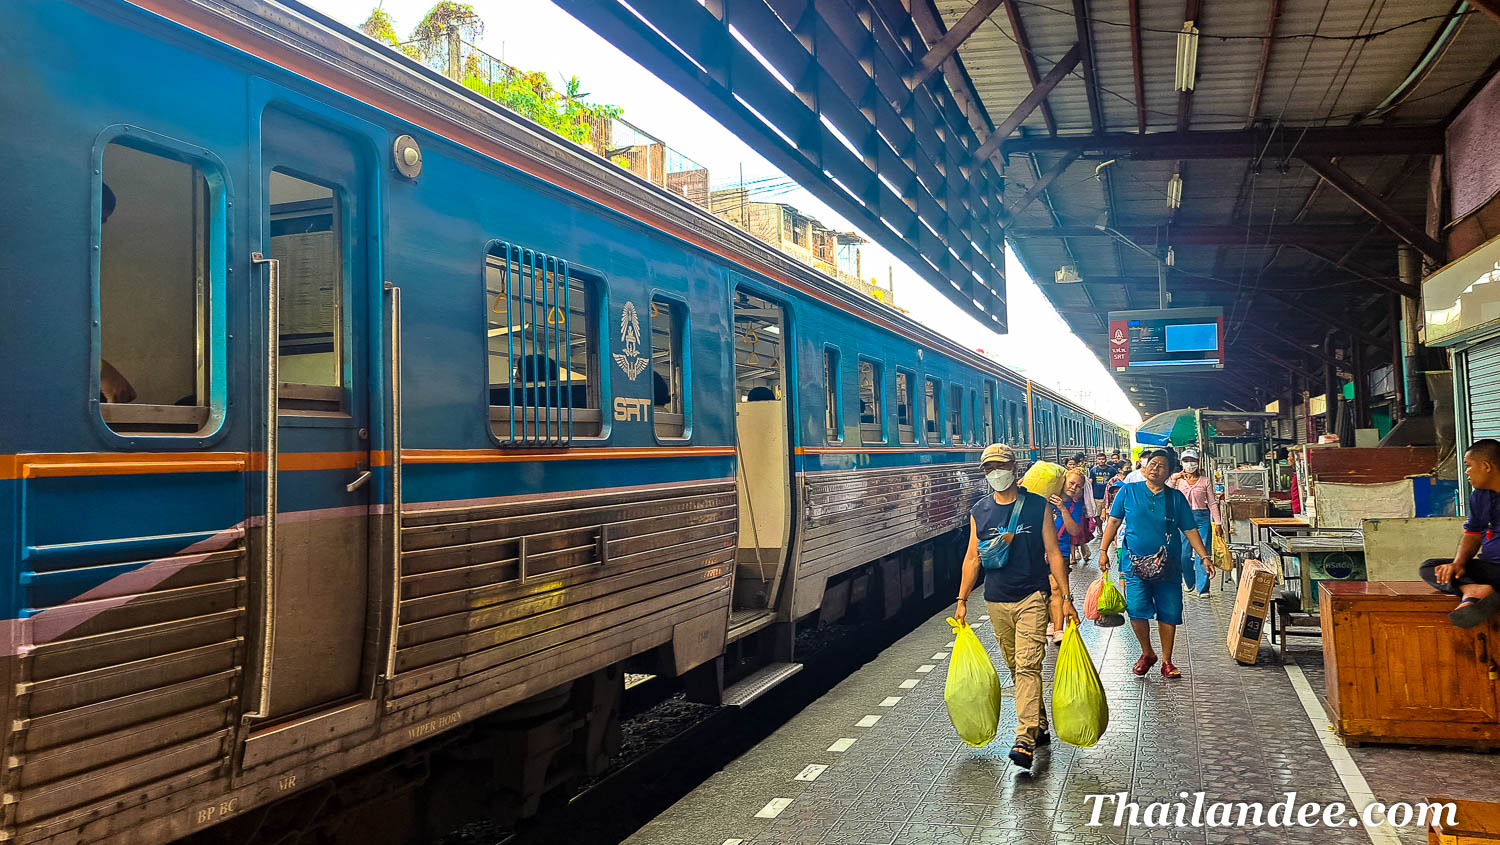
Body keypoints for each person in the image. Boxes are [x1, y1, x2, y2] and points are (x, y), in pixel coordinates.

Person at [955, 443, 1077, 769]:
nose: (996, 472)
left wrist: (1064, 597)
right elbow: (972, 558)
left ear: (1014, 467)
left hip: (1032, 597)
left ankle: (1023, 737)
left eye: (1001, 465)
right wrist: (962, 599)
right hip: (996, 600)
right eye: (989, 468)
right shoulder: (980, 510)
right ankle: (1039, 725)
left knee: (1027, 665)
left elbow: (1053, 553)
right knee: (1014, 666)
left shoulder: (1037, 507)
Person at [1097, 449, 1211, 679]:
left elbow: (1189, 528)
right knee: (1136, 609)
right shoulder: (1128, 491)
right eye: (1152, 463)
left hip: (1167, 565)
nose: (1155, 468)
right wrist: (1103, 550)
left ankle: (1167, 661)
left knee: (1168, 611)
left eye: (1162, 465)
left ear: (1169, 473)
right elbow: (1114, 521)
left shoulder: (1175, 498)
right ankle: (1147, 653)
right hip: (1134, 564)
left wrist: (1204, 556)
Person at [1422, 439, 1500, 627]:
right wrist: (1458, 564)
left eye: (1468, 466)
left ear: (1486, 466)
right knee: (1431, 567)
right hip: (1492, 569)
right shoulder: (1480, 495)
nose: (1466, 472)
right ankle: (1473, 589)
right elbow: (1473, 533)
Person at [1169, 448, 1221, 598]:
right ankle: (1189, 580)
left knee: (1202, 554)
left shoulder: (1205, 481)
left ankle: (1203, 588)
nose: (1189, 464)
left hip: (1202, 518)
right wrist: (1175, 478)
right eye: (1186, 461)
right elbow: (1167, 493)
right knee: (1183, 555)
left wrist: (1217, 522)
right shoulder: (1177, 480)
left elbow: (1212, 503)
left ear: (1198, 463)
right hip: (1182, 519)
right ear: (1181, 463)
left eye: (1192, 461)